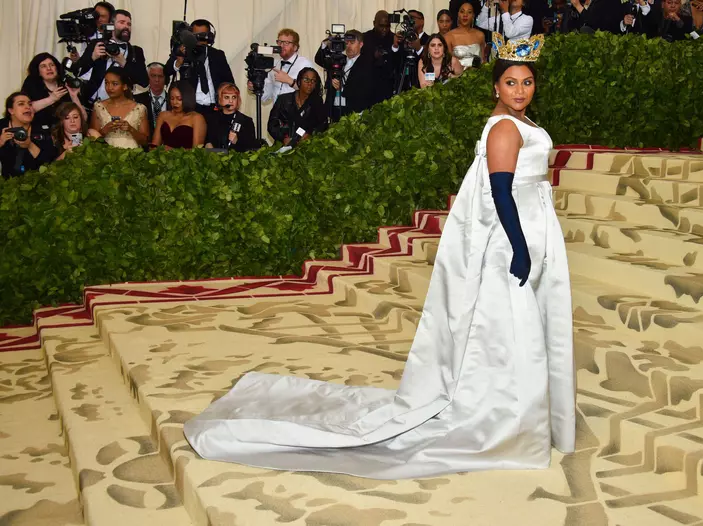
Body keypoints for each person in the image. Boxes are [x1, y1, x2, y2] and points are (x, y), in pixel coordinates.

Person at [184, 32, 576, 480]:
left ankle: (507, 408)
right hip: (512, 238)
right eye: (511, 82)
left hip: (525, 231)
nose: (520, 91)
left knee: (507, 329)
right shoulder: (505, 128)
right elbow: (502, 194)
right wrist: (521, 249)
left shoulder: (516, 122)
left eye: (527, 82)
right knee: (509, 328)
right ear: (495, 87)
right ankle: (502, 415)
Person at [164, 19, 235, 117]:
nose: (200, 40)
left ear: (210, 37)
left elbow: (229, 82)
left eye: (203, 35)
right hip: (191, 107)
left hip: (215, 108)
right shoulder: (183, 52)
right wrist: (179, 61)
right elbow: (166, 71)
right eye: (196, 36)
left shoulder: (218, 55)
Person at [76, 9, 148, 104]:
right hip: (93, 105)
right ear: (111, 25)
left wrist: (123, 62)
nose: (126, 27)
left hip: (122, 107)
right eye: (122, 22)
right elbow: (78, 71)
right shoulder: (97, 44)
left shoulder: (136, 51)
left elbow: (144, 82)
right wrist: (92, 58)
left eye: (129, 24)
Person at [314, 29, 372, 121]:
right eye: (346, 43)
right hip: (333, 110)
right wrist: (326, 43)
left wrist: (342, 88)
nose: (348, 46)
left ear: (361, 44)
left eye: (352, 43)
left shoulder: (367, 64)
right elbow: (319, 59)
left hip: (353, 112)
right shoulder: (338, 60)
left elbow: (364, 89)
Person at [21, 53, 87, 129]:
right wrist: (51, 99)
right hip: (39, 131)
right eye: (43, 66)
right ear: (38, 71)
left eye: (52, 65)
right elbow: (25, 110)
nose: (49, 68)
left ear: (57, 68)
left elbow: (84, 118)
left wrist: (74, 96)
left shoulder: (66, 84)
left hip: (65, 132)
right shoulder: (31, 83)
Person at [87, 67, 149, 148]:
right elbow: (92, 139)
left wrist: (130, 129)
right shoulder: (98, 107)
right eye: (106, 83)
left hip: (132, 156)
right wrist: (104, 130)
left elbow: (145, 141)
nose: (109, 88)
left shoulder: (139, 109)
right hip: (106, 155)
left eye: (114, 84)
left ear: (125, 86)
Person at [0, 93, 56, 179]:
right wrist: (1, 142)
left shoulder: (42, 129)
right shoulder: (1, 125)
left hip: (36, 182)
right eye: (21, 104)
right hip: (7, 183)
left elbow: (48, 162)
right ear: (11, 110)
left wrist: (30, 145)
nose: (27, 107)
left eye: (29, 104)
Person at [266, 68, 327, 147]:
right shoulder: (283, 99)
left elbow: (322, 125)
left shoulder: (317, 102)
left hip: (306, 146)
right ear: (299, 81)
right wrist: (283, 138)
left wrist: (310, 135)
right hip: (283, 146)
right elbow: (272, 125)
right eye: (306, 79)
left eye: (313, 81)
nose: (309, 83)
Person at [253, 29, 314, 105]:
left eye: (286, 43)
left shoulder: (304, 64)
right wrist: (255, 87)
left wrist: (289, 81)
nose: (281, 46)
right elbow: (266, 95)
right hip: (277, 113)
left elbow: (311, 90)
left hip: (297, 113)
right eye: (279, 42)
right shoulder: (274, 63)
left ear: (295, 47)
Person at [151, 81, 206, 150]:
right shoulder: (163, 115)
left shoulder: (197, 118)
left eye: (179, 99)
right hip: (162, 159)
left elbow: (197, 151)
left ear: (187, 98)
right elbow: (154, 145)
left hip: (186, 160)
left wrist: (172, 151)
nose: (174, 102)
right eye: (172, 98)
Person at [205, 83, 257, 152]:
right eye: (227, 97)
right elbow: (206, 140)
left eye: (234, 97)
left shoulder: (246, 121)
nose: (231, 101)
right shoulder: (211, 119)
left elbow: (252, 148)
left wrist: (237, 141)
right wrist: (207, 144)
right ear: (219, 99)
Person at [362, 11, 399, 105]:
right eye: (381, 26)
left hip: (388, 87)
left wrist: (395, 47)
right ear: (374, 23)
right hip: (368, 87)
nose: (384, 29)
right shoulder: (365, 38)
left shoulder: (395, 38)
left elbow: (398, 62)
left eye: (387, 26)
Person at [446, 2, 488, 69]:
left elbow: (483, 60)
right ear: (458, 14)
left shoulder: (480, 35)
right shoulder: (449, 36)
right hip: (457, 77)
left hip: (478, 77)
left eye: (469, 12)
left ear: (473, 15)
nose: (465, 15)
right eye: (462, 12)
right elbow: (447, 63)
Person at [134, 62, 168, 132]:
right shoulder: (137, 100)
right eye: (153, 76)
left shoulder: (174, 100)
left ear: (166, 79)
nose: (157, 80)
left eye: (160, 76)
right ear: (147, 78)